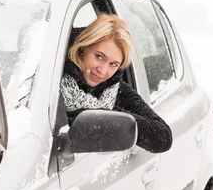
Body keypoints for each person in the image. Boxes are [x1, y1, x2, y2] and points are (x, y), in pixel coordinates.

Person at [62, 14, 173, 154]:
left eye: (113, 64)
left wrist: (107, 115)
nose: (102, 71)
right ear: (84, 47)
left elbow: (162, 138)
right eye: (99, 56)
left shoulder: (113, 89)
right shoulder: (51, 79)